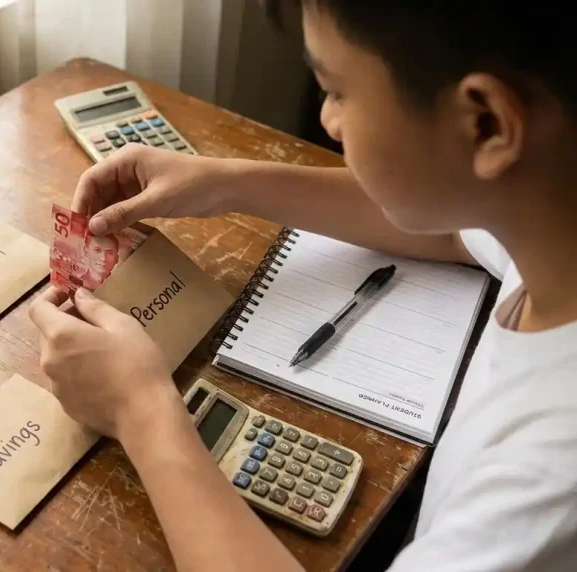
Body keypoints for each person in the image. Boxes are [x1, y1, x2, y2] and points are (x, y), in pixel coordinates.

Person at [28, 1, 577, 570]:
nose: (328, 121)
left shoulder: (548, 487)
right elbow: (460, 232)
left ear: (485, 123)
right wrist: (222, 183)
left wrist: (140, 412)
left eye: (338, 91)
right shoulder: (546, 216)